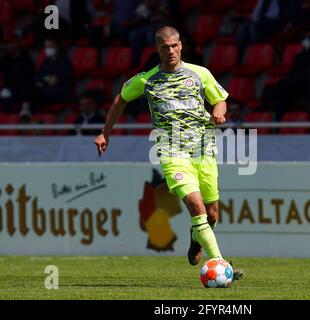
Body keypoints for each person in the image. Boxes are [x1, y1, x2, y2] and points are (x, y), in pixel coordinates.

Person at [94, 26, 244, 280]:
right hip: (172, 151)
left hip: (204, 150)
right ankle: (219, 264)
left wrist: (219, 111)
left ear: (181, 45)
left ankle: (196, 238)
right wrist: (105, 132)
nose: (171, 51)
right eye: (165, 47)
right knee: (195, 205)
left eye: (174, 45)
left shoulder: (199, 73)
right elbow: (121, 98)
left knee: (212, 214)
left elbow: (219, 98)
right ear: (157, 49)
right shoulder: (148, 79)